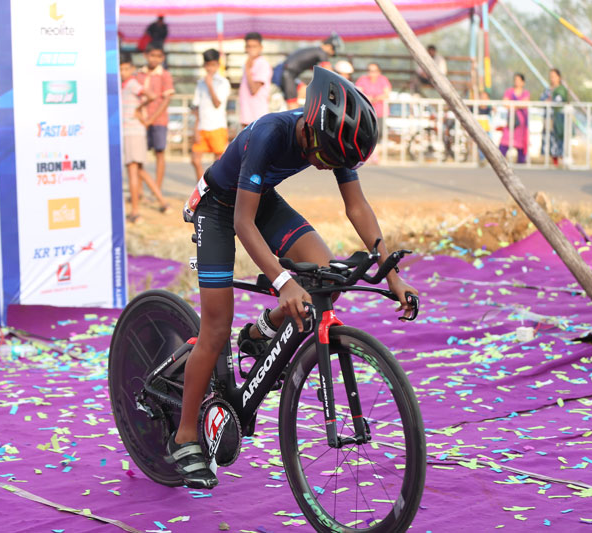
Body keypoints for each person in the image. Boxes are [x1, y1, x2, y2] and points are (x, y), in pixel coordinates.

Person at [169, 66, 418, 489]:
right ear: (310, 130)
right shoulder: (270, 133)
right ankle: (185, 435)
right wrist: (283, 282)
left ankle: (261, 332)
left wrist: (391, 274)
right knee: (216, 326)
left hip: (258, 198)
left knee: (325, 274)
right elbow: (243, 223)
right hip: (220, 208)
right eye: (329, 159)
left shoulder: (330, 137)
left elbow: (357, 206)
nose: (329, 168)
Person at [120, 52, 170, 223]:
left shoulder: (132, 84)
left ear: (132, 69)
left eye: (126, 69)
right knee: (139, 170)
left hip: (132, 130)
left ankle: (135, 212)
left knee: (132, 170)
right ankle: (163, 202)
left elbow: (152, 96)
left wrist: (138, 109)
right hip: (134, 130)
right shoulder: (126, 84)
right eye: (121, 69)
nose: (123, 72)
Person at [137, 43, 174, 192]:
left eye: (158, 56)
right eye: (152, 55)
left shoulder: (165, 75)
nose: (155, 59)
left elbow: (166, 99)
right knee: (139, 156)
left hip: (159, 120)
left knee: (159, 153)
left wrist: (151, 119)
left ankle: (157, 190)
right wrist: (142, 118)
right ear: (146, 55)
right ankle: (139, 191)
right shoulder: (139, 74)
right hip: (140, 120)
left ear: (162, 58)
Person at [191, 49, 231, 182]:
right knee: (195, 159)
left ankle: (215, 188)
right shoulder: (200, 83)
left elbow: (217, 103)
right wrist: (196, 128)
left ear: (217, 65)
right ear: (204, 65)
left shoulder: (223, 82)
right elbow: (196, 107)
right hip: (202, 127)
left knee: (218, 162)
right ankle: (202, 187)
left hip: (217, 126)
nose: (210, 68)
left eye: (213, 65)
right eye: (208, 65)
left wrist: (210, 86)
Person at [274, 34, 342, 109]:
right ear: (329, 46)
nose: (332, 53)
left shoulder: (315, 51)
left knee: (303, 89)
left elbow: (319, 70)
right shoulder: (321, 52)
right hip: (287, 75)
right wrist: (340, 83)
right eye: (333, 49)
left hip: (287, 74)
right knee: (293, 103)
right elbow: (329, 72)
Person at [355, 63, 392, 156]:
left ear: (379, 72)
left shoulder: (383, 80)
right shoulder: (363, 79)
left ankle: (374, 154)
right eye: (370, 71)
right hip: (366, 112)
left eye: (374, 71)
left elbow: (387, 94)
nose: (372, 73)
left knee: (378, 134)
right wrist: (368, 97)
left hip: (380, 112)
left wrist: (376, 98)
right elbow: (358, 91)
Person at [238, 32, 272, 128]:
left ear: (260, 47)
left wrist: (248, 69)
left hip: (257, 116)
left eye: (254, 46)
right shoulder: (247, 64)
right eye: (249, 46)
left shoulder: (262, 64)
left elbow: (254, 90)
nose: (251, 50)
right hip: (246, 116)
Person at [499, 73, 530, 164]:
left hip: (521, 123)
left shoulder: (525, 93)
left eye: (519, 80)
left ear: (523, 82)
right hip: (511, 122)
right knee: (505, 141)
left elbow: (525, 103)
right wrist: (518, 105)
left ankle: (521, 162)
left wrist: (512, 105)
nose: (517, 82)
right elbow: (505, 103)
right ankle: (499, 160)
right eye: (515, 80)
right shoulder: (509, 91)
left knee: (521, 144)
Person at [541, 68, 568, 166]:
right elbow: (542, 99)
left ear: (559, 77)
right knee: (550, 137)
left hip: (559, 118)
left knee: (559, 137)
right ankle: (553, 161)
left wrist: (549, 101)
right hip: (549, 117)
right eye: (551, 76)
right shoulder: (548, 89)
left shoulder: (561, 89)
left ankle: (562, 160)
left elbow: (558, 100)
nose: (552, 78)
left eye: (554, 76)